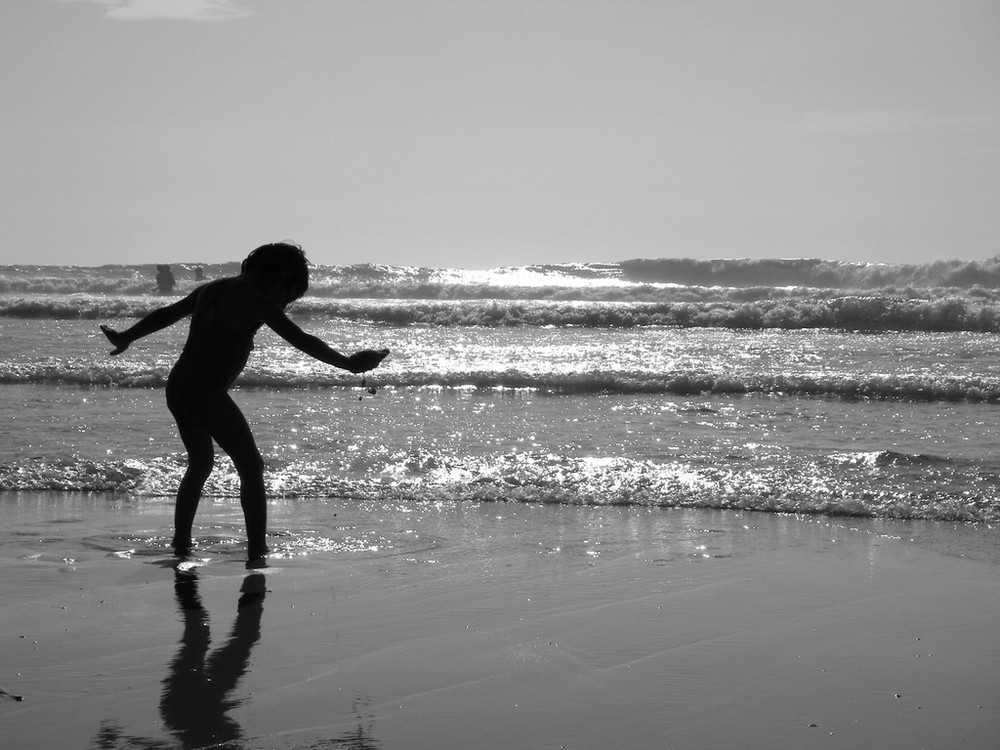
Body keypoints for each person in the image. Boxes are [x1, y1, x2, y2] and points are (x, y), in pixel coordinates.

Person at [100, 242, 388, 563]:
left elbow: (166, 314)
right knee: (251, 466)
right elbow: (301, 339)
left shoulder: (211, 289)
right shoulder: (255, 300)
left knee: (200, 464)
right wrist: (348, 363)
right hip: (206, 392)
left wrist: (128, 335)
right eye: (287, 295)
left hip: (180, 385)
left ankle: (181, 541)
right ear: (281, 278)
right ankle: (257, 549)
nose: (283, 302)